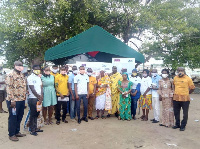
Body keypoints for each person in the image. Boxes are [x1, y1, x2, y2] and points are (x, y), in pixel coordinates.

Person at [5, 61, 26, 141]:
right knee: (13, 117)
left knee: (19, 116)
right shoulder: (10, 75)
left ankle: (17, 131)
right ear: (14, 66)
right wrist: (12, 100)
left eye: (21, 65)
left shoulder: (22, 75)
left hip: (21, 99)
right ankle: (11, 134)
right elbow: (9, 88)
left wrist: (24, 98)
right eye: (18, 65)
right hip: (13, 101)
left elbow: (23, 87)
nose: (20, 66)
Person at [27, 65, 43, 136]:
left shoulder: (38, 77)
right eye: (36, 69)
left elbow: (41, 87)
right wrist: (38, 97)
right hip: (33, 98)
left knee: (37, 113)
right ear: (33, 69)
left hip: (39, 98)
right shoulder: (30, 77)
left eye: (39, 69)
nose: (38, 70)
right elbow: (32, 89)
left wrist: (41, 95)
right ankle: (32, 129)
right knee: (33, 114)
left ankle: (35, 127)